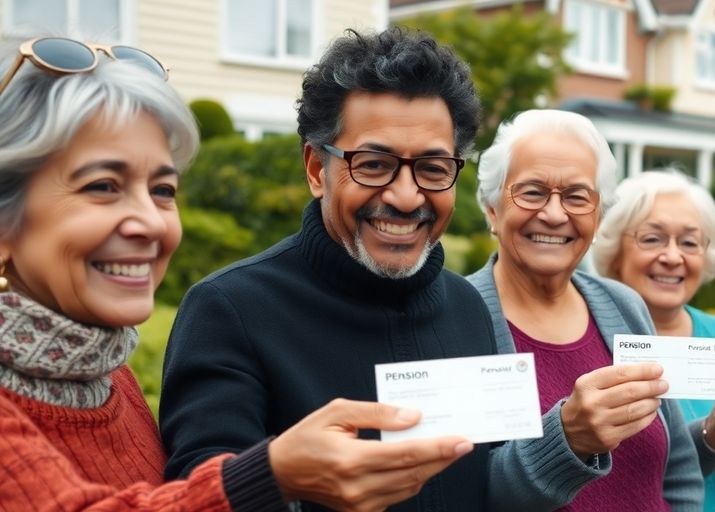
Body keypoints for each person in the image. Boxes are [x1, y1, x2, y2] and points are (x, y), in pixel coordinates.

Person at [159, 29, 616, 512]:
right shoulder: (230, 311)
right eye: (374, 165)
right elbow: (199, 495)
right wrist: (289, 480)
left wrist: (567, 439)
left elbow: (490, 488)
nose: (405, 196)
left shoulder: (469, 308)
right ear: (317, 169)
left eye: (434, 168)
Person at [0, 36, 465, 511]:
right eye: (102, 186)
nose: (152, 222)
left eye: (163, 189)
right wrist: (274, 475)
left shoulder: (102, 370)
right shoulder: (229, 307)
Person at [466, 109, 706, 510]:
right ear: (492, 208)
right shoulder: (458, 317)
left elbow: (678, 467)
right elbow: (466, 494)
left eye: (577, 197)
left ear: (597, 217)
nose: (555, 214)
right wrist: (567, 440)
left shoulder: (623, 305)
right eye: (532, 191)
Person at [591, 170, 715, 512]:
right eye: (652, 238)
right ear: (615, 251)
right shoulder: (590, 340)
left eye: (689, 242)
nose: (673, 257)